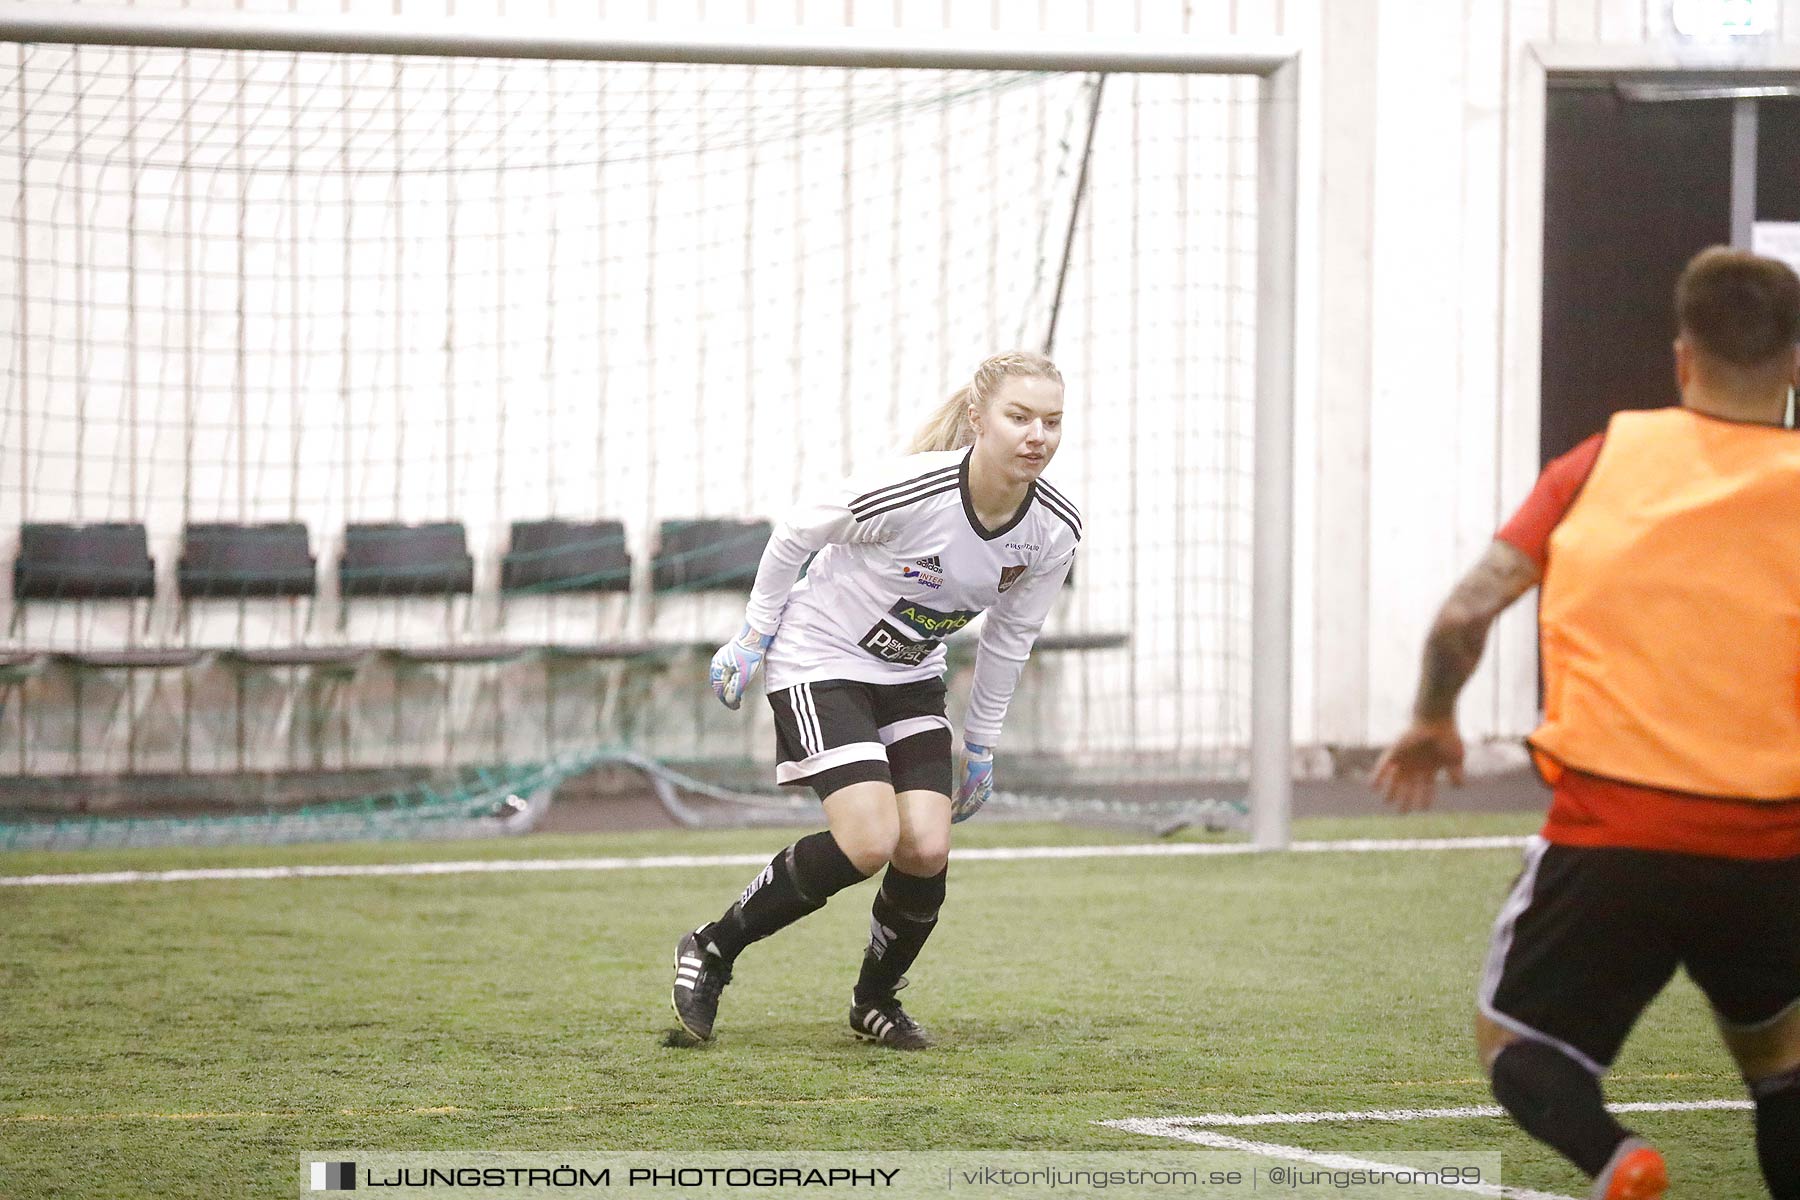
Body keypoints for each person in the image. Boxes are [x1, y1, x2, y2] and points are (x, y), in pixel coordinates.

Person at [1373, 247, 1800, 1200]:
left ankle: (1617, 1161)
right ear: (1796, 362)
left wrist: (1436, 717)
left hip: (1615, 832)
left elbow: (1461, 616)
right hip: (1774, 840)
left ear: (1684, 357)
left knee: (1515, 1042)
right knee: (1779, 1059)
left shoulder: (1601, 459)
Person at [669, 350, 1081, 1050]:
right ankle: (712, 947)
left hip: (911, 673)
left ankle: (874, 1000)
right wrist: (752, 636)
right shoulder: (913, 492)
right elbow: (797, 531)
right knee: (869, 840)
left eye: (1052, 421)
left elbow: (1012, 636)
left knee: (925, 845)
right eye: (1019, 417)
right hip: (819, 656)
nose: (1037, 435)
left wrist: (981, 742)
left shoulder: (1054, 528)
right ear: (980, 419)